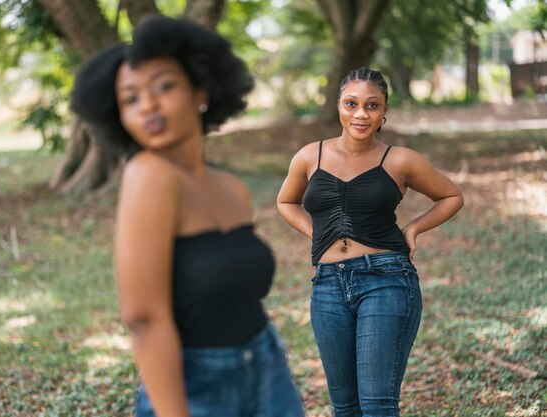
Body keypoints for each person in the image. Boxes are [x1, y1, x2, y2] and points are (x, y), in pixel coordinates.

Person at [71, 15, 305, 417]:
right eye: (130, 98)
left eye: (164, 85)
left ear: (201, 91)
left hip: (266, 366)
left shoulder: (232, 188)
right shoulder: (148, 175)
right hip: (197, 385)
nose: (148, 104)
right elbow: (143, 318)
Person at [276, 67, 464, 417]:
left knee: (377, 406)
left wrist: (413, 229)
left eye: (372, 106)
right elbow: (286, 202)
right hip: (328, 286)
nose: (361, 114)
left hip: (386, 280)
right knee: (345, 408)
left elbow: (451, 196)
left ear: (384, 112)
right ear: (338, 106)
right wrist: (316, 233)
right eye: (352, 103)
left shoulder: (400, 159)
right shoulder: (308, 156)